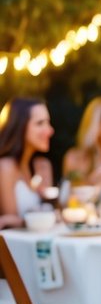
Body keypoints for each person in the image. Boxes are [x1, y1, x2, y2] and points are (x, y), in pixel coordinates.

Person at [0, 97, 56, 228]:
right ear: (20, 126)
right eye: (40, 123)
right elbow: (10, 223)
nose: (50, 130)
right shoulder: (5, 166)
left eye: (48, 123)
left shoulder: (41, 165)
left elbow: (51, 210)